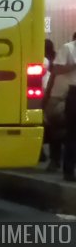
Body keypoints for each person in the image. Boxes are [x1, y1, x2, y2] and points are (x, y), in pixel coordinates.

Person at [50, 35, 76, 181]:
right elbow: (56, 69)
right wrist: (74, 65)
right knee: (72, 133)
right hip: (72, 92)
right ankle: (68, 171)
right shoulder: (68, 48)